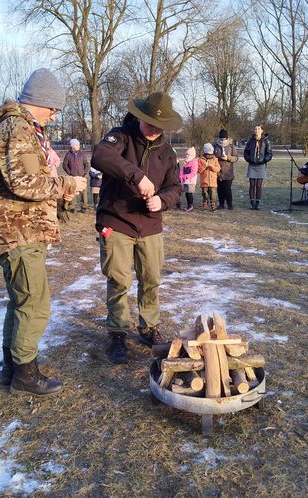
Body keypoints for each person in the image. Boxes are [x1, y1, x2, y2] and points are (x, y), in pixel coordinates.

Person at [0, 68, 86, 395]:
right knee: (35, 304)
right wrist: (68, 183)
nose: (55, 116)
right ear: (41, 102)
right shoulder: (18, 129)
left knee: (20, 302)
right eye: (54, 109)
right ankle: (25, 376)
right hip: (19, 232)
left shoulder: (20, 128)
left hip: (22, 230)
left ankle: (12, 367)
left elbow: (30, 181)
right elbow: (25, 183)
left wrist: (58, 192)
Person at [91, 90, 182, 364]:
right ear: (140, 117)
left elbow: (175, 188)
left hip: (151, 227)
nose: (154, 130)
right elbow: (100, 156)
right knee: (119, 280)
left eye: (160, 126)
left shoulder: (168, 153)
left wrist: (161, 201)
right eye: (150, 123)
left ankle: (148, 326)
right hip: (116, 222)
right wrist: (137, 175)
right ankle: (118, 332)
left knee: (151, 279)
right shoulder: (120, 137)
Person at [243, 124, 273, 210]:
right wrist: (249, 159)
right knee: (252, 184)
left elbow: (269, 153)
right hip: (252, 165)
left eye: (258, 129)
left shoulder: (266, 141)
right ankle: (252, 202)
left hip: (261, 165)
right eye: (255, 129)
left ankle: (257, 203)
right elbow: (246, 153)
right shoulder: (250, 141)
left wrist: (263, 160)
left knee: (259, 185)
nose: (256, 130)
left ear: (262, 130)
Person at [62, 138, 90, 212]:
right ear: (72, 146)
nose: (78, 146)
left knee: (84, 192)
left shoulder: (82, 154)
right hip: (73, 177)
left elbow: (86, 164)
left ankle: (84, 207)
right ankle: (72, 207)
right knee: (73, 192)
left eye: (78, 145)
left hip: (82, 176)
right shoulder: (68, 155)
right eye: (76, 145)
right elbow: (64, 165)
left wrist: (84, 173)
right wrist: (70, 173)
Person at [214, 129, 238, 210]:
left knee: (227, 189)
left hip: (228, 173)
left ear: (227, 138)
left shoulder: (232, 147)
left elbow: (236, 158)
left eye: (224, 139)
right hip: (218, 172)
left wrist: (228, 158)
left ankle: (229, 204)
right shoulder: (215, 146)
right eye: (221, 139)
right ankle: (221, 204)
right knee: (219, 189)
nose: (222, 141)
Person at [198, 143, 220, 211]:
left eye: (211, 151)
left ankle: (213, 205)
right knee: (205, 194)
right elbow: (199, 170)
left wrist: (211, 166)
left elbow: (218, 169)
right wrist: (205, 166)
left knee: (213, 194)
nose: (210, 153)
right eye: (208, 151)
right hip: (204, 181)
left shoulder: (215, 159)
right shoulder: (201, 160)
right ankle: (205, 205)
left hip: (213, 182)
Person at [179, 147, 198, 211]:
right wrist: (180, 176)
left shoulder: (194, 162)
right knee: (187, 193)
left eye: (188, 154)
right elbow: (182, 170)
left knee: (189, 194)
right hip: (185, 181)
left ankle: (191, 206)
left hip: (191, 181)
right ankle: (188, 205)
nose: (186, 156)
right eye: (186, 154)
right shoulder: (186, 162)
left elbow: (193, 172)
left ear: (192, 155)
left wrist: (186, 176)